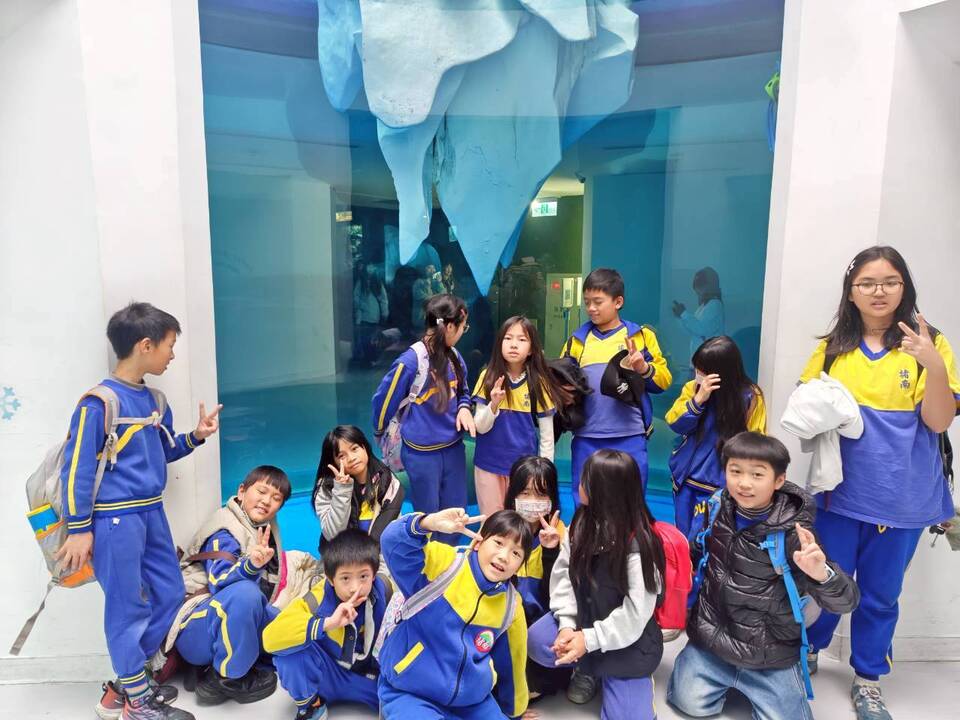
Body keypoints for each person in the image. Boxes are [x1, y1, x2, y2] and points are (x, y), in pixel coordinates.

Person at [799, 246, 959, 720]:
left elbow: (938, 421)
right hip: (839, 493)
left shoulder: (930, 343)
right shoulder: (832, 348)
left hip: (904, 498)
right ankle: (808, 651)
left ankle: (868, 678)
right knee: (824, 579)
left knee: (881, 594)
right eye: (866, 283)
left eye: (890, 281)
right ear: (850, 292)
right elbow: (805, 412)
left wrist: (933, 364)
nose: (878, 291)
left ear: (904, 286)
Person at [55, 302, 221, 720]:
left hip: (151, 513)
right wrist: (79, 528)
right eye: (169, 346)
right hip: (114, 520)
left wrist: (196, 436)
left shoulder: (156, 400)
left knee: (169, 594)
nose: (172, 355)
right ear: (145, 345)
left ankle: (125, 686)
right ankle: (137, 702)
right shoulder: (99, 403)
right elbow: (76, 470)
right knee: (127, 605)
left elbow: (164, 450)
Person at [668, 432, 860, 720]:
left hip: (769, 654)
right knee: (687, 703)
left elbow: (846, 602)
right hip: (713, 643)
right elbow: (697, 551)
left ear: (778, 480)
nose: (744, 483)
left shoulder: (794, 533)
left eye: (757, 474)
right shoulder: (717, 507)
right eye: (735, 471)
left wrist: (822, 575)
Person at [527, 449, 665, 718]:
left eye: (585, 481)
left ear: (605, 491)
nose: (578, 485)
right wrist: (567, 626)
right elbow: (564, 577)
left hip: (626, 642)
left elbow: (635, 614)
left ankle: (618, 676)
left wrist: (589, 640)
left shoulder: (640, 544)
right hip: (585, 621)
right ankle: (586, 667)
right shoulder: (581, 524)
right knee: (539, 642)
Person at [376, 509, 531, 719]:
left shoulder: (511, 606)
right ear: (478, 541)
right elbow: (391, 543)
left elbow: (513, 666)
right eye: (498, 543)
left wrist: (514, 713)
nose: (504, 557)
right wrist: (427, 522)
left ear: (520, 566)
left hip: (471, 703)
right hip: (410, 692)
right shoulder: (445, 564)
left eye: (516, 553)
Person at [171, 466, 292, 706]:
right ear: (242, 491)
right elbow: (219, 583)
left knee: (289, 628)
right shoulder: (225, 529)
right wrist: (251, 565)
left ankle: (208, 668)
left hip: (217, 622)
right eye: (261, 491)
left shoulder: (260, 527)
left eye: (276, 498)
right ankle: (226, 678)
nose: (266, 501)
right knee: (246, 595)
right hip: (194, 629)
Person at [562, 268, 672, 506]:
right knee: (585, 502)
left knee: (631, 502)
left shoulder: (641, 337)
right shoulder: (576, 341)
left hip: (629, 435)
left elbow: (664, 381)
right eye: (587, 302)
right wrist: (564, 393)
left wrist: (643, 368)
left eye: (598, 302)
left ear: (618, 302)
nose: (591, 308)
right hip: (587, 436)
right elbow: (561, 382)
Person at [372, 294, 475, 543]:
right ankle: (429, 559)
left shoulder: (454, 357)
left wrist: (464, 407)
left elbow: (464, 390)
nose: (463, 332)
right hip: (421, 454)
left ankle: (449, 558)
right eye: (463, 326)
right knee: (427, 517)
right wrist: (380, 432)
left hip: (453, 449)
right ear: (449, 326)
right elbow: (383, 401)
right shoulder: (411, 362)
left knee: (456, 512)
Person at [263, 529, 391, 720]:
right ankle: (311, 706)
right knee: (289, 654)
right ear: (330, 579)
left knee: (406, 696)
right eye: (345, 578)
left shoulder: (386, 591)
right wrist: (327, 623)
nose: (355, 588)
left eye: (363, 576)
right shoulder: (317, 598)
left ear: (373, 575)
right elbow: (270, 639)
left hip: (365, 678)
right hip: (327, 675)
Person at [666, 335, 766, 536]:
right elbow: (675, 423)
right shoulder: (692, 388)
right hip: (687, 478)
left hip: (722, 485)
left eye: (703, 371)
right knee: (684, 536)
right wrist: (698, 400)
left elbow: (756, 443)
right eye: (697, 369)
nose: (698, 374)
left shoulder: (751, 397)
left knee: (712, 538)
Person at [472, 316, 561, 515]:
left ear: (531, 349)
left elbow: (547, 436)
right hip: (488, 464)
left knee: (521, 523)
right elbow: (479, 427)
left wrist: (543, 472)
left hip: (524, 470)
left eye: (522, 340)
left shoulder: (539, 382)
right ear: (499, 344)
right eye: (508, 338)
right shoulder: (487, 377)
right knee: (492, 521)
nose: (514, 345)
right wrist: (494, 404)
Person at [502, 456, 571, 702]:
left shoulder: (562, 534)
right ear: (513, 494)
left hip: (542, 618)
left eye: (541, 494)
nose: (532, 501)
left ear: (552, 498)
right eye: (525, 493)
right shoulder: (500, 530)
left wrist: (551, 551)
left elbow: (557, 596)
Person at [312, 425, 405, 552]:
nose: (351, 458)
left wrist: (369, 560)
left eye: (354, 449)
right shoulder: (326, 487)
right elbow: (332, 535)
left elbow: (388, 532)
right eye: (341, 456)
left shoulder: (387, 482)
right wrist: (341, 490)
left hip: (377, 555)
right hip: (339, 556)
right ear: (333, 462)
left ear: (364, 446)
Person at [672, 266, 725, 374]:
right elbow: (692, 332)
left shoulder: (715, 305)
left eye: (700, 288)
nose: (698, 293)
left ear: (710, 286)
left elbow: (701, 329)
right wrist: (680, 317)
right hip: (698, 364)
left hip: (708, 365)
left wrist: (684, 314)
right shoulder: (703, 307)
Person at [353, 265, 389, 364]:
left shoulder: (375, 283)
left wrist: (384, 313)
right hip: (367, 317)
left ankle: (370, 359)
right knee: (367, 339)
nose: (370, 269)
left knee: (370, 339)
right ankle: (369, 359)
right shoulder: (363, 283)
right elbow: (384, 300)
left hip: (370, 316)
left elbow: (383, 300)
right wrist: (384, 313)